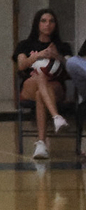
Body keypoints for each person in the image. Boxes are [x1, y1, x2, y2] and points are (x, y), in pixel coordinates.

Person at [16, 8, 71, 159]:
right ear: (37, 24)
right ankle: (56, 117)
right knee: (41, 77)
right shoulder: (25, 45)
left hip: (55, 86)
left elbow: (70, 67)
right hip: (30, 84)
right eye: (44, 21)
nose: (48, 24)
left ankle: (41, 144)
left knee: (41, 93)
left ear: (56, 25)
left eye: (51, 21)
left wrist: (58, 56)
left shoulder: (63, 46)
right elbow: (21, 65)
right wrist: (38, 55)